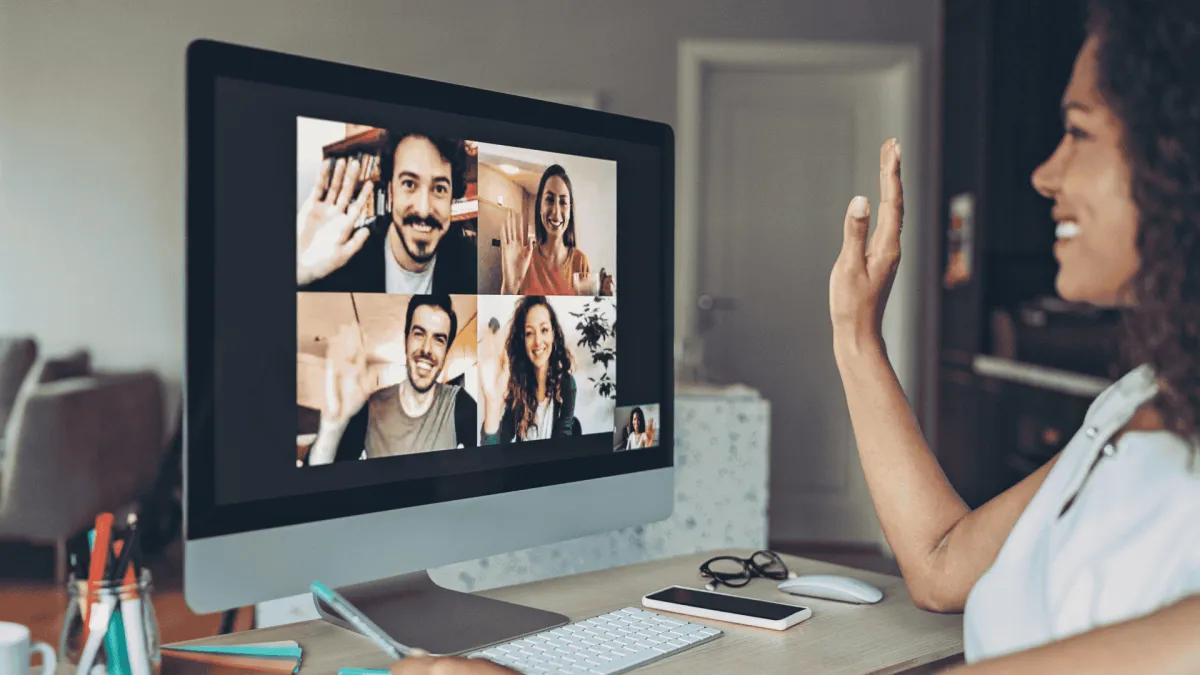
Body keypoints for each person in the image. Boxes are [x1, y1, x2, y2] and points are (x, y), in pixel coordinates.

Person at [825, 3, 1200, 671]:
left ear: (1178, 155)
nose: (1044, 175)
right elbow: (941, 564)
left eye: (1079, 133)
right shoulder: (1135, 401)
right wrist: (856, 335)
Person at [297, 132, 477, 294]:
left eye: (439, 188)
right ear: (390, 191)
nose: (423, 210)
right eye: (409, 184)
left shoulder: (470, 265)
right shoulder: (344, 258)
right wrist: (300, 274)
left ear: (452, 198)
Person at [307, 295, 476, 464]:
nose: (426, 349)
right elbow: (318, 478)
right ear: (406, 340)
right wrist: (332, 425)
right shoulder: (371, 407)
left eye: (439, 339)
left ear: (446, 351)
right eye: (419, 334)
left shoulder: (459, 404)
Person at [500, 164, 615, 296]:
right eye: (549, 199)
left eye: (563, 202)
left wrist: (605, 302)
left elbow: (585, 313)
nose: (556, 211)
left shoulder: (580, 261)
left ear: (570, 210)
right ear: (540, 206)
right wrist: (509, 286)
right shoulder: (524, 259)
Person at [479, 296, 577, 443]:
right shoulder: (517, 386)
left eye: (544, 330)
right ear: (522, 340)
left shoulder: (567, 385)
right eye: (529, 333)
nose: (538, 341)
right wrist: (492, 402)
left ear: (553, 335)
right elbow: (495, 447)